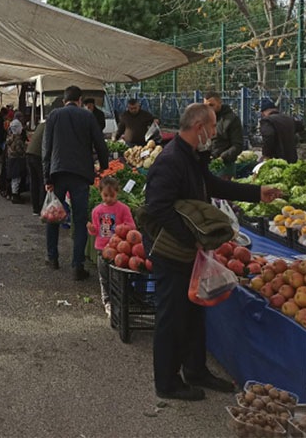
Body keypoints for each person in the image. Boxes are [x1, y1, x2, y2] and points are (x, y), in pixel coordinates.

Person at [144, 102, 281, 401]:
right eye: (212, 126)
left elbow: (212, 185)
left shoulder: (191, 156)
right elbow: (157, 207)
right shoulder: (170, 160)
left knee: (194, 312)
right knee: (172, 317)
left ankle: (195, 370)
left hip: (191, 252)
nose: (215, 132)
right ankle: (166, 382)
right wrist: (188, 239)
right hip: (173, 252)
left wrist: (256, 193)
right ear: (199, 127)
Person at [42, 85, 109, 280]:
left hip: (58, 173)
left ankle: (52, 258)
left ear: (64, 101)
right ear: (80, 100)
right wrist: (104, 167)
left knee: (53, 215)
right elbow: (100, 144)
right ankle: (76, 266)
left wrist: (47, 177)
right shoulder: (87, 116)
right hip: (81, 175)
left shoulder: (54, 115)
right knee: (79, 221)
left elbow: (46, 149)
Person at [87, 176, 135, 316]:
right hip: (102, 248)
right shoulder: (97, 211)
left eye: (112, 195)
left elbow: (132, 225)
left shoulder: (123, 209)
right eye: (105, 195)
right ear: (101, 193)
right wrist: (91, 229)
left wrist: (121, 228)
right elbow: (96, 230)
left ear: (117, 193)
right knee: (104, 276)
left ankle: (118, 299)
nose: (108, 198)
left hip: (118, 249)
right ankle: (107, 301)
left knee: (117, 276)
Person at [204, 91, 243, 179]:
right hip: (208, 162)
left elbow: (238, 145)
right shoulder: (206, 119)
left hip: (225, 166)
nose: (208, 108)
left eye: (211, 105)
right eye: (205, 106)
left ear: (219, 103)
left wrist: (222, 157)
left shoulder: (231, 120)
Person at [259, 99, 299, 164]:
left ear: (263, 112)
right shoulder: (289, 118)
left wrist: (266, 154)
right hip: (292, 157)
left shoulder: (267, 120)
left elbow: (268, 136)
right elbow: (301, 129)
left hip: (276, 159)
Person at [25, 120, 46, 215]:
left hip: (30, 153)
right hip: (38, 155)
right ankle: (42, 207)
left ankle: (35, 208)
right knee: (42, 181)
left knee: (34, 181)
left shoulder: (41, 125)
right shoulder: (51, 127)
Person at [6, 113, 27, 204]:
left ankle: (13, 193)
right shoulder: (18, 139)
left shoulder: (10, 138)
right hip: (17, 160)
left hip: (11, 159)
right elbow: (20, 150)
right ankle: (15, 195)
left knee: (14, 179)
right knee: (17, 179)